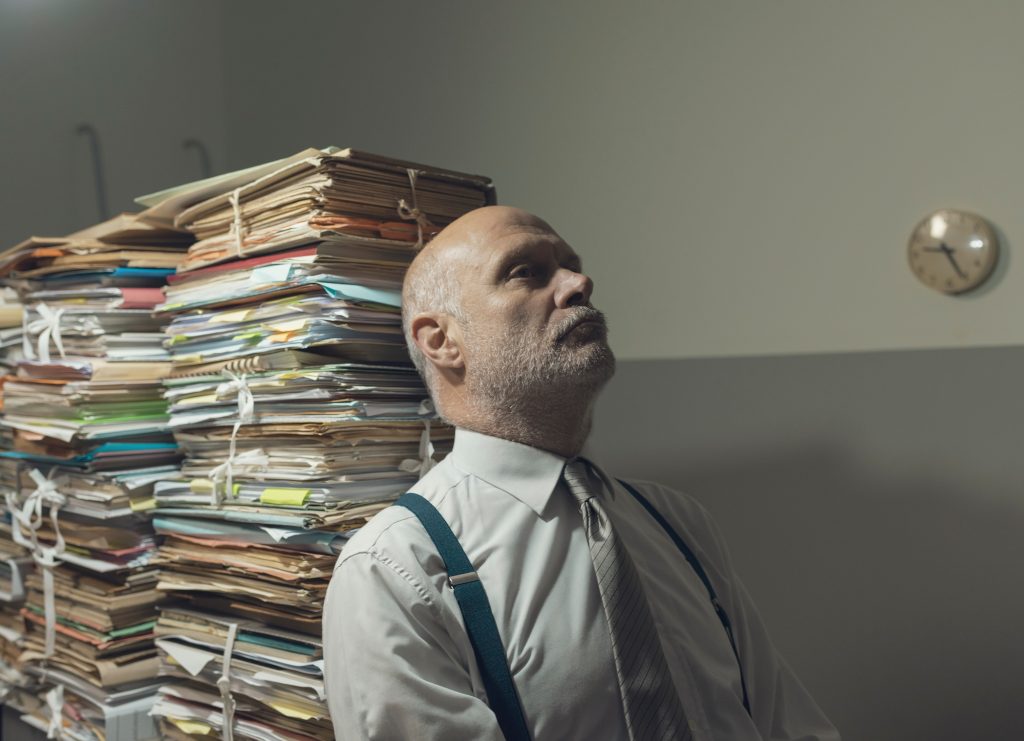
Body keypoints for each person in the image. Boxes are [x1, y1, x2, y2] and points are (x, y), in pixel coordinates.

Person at [322, 206, 840, 741]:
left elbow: (786, 723)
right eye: (526, 271)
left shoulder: (678, 523)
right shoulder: (395, 567)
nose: (579, 283)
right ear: (442, 341)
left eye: (571, 266)